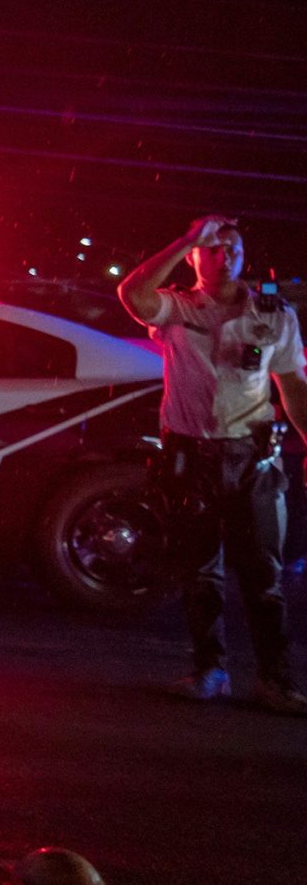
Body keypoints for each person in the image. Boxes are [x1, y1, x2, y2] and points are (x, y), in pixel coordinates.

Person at [117, 216, 307, 713]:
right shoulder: (176, 307)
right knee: (200, 573)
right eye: (213, 249)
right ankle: (210, 671)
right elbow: (132, 294)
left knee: (264, 576)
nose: (225, 258)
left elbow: (293, 385)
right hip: (191, 458)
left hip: (251, 458)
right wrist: (185, 240)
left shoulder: (274, 314)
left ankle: (275, 680)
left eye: (233, 249)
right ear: (195, 258)